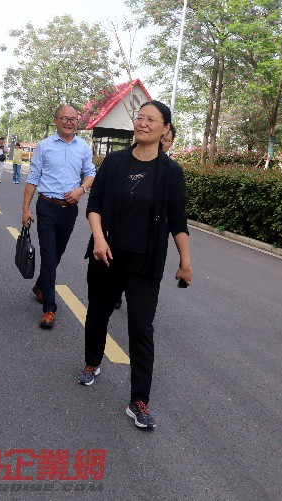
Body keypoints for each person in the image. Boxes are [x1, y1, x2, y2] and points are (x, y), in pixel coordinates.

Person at [77, 100, 192, 430]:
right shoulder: (114, 162)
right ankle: (92, 362)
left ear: (165, 129)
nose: (143, 123)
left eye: (151, 119)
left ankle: (139, 400)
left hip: (145, 262)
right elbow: (95, 205)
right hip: (106, 255)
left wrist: (185, 261)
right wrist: (99, 239)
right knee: (98, 312)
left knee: (141, 328)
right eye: (140, 117)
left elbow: (178, 220)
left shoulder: (171, 172)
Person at [22, 105, 96, 328]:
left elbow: (91, 174)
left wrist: (81, 190)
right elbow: (33, 177)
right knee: (48, 256)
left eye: (73, 119)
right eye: (64, 118)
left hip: (69, 210)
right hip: (46, 206)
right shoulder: (44, 146)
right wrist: (25, 208)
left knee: (57, 255)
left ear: (77, 123)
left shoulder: (83, 147)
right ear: (56, 121)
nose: (68, 122)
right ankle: (49, 308)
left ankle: (40, 285)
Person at [114, 123, 178, 311]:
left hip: (152, 238)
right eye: (163, 139)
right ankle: (116, 291)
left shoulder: (171, 170)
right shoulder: (124, 162)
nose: (164, 143)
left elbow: (177, 214)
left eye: (168, 140)